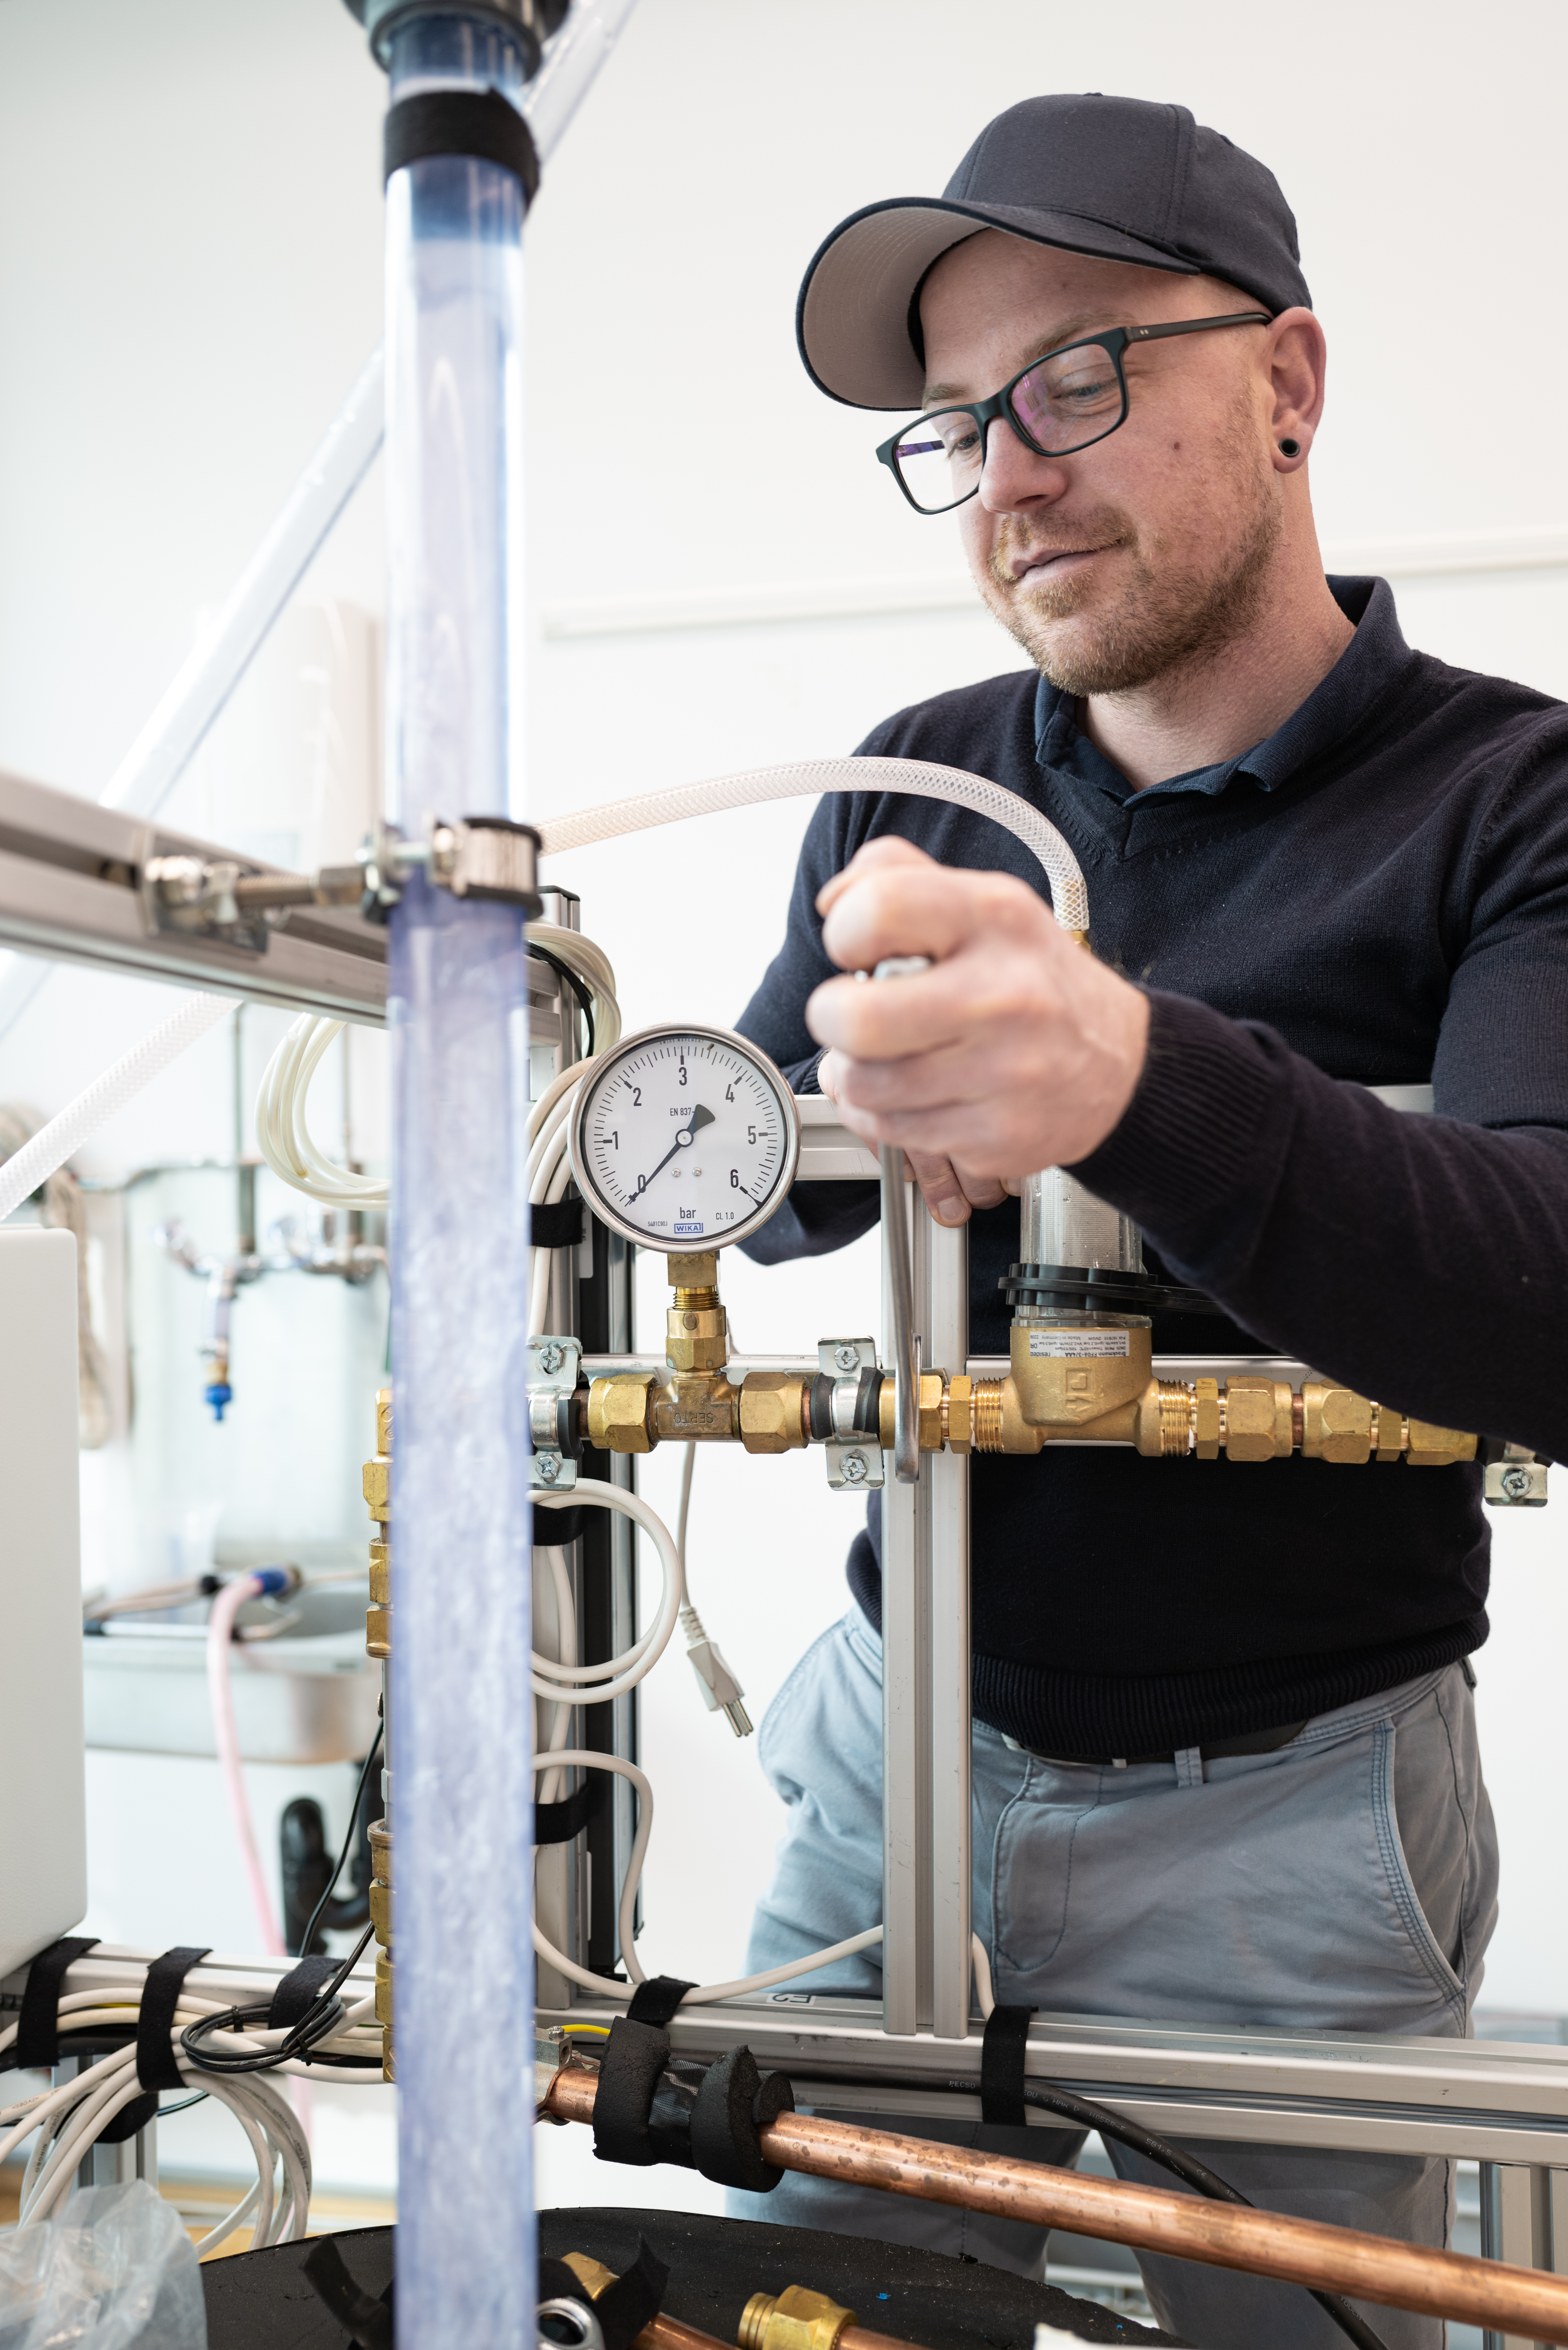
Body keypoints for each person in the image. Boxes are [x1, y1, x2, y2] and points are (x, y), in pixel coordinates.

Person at [728, 92, 1568, 2350]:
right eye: (956, 426)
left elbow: (1554, 1301)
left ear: (1287, 382)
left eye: (1075, 379)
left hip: (1297, 1811)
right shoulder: (918, 775)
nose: (1008, 476)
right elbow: (764, 1200)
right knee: (807, 2320)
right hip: (894, 1757)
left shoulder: (1518, 799)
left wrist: (1129, 1080)